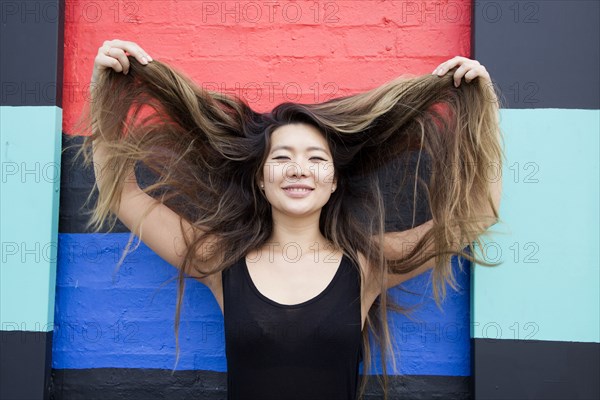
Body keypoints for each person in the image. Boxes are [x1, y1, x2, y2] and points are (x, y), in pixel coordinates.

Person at [75, 39, 504, 400]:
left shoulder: (368, 265)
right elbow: (124, 194)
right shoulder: (220, 259)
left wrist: (482, 102)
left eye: (316, 159)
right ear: (261, 180)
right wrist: (104, 89)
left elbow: (479, 212)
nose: (299, 169)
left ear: (333, 181)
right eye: (282, 158)